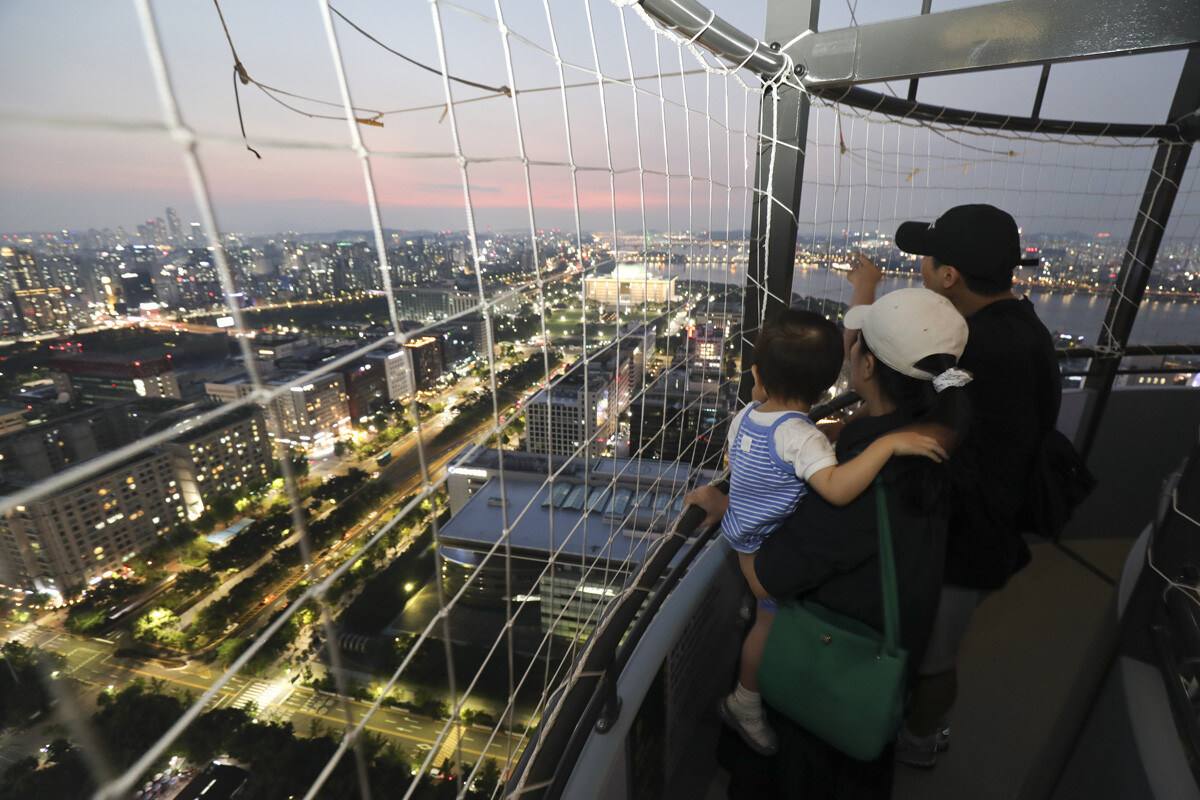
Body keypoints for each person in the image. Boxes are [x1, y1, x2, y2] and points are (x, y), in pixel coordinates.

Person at [688, 287, 972, 798]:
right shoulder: (946, 419)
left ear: (865, 367)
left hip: (830, 672)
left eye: (856, 344)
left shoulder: (863, 482)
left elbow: (765, 577)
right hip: (898, 627)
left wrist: (731, 515)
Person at [852, 204, 1062, 768]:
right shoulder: (1020, 327)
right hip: (992, 512)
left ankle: (917, 742)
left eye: (928, 259)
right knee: (936, 646)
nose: (920, 266)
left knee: (936, 657)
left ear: (949, 277)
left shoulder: (977, 351)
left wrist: (865, 297)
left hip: (969, 530)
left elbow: (922, 386)